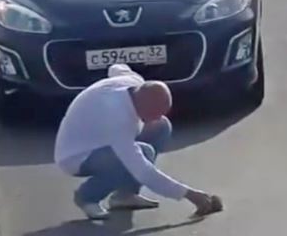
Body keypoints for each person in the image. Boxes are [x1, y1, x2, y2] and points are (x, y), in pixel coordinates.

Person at [54, 64, 221, 220]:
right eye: (152, 112)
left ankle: (125, 195)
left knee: (161, 126)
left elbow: (117, 68)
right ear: (141, 102)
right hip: (77, 156)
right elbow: (142, 170)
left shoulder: (134, 83)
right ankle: (87, 197)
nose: (154, 118)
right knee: (143, 153)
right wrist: (190, 195)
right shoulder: (118, 118)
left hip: (101, 139)